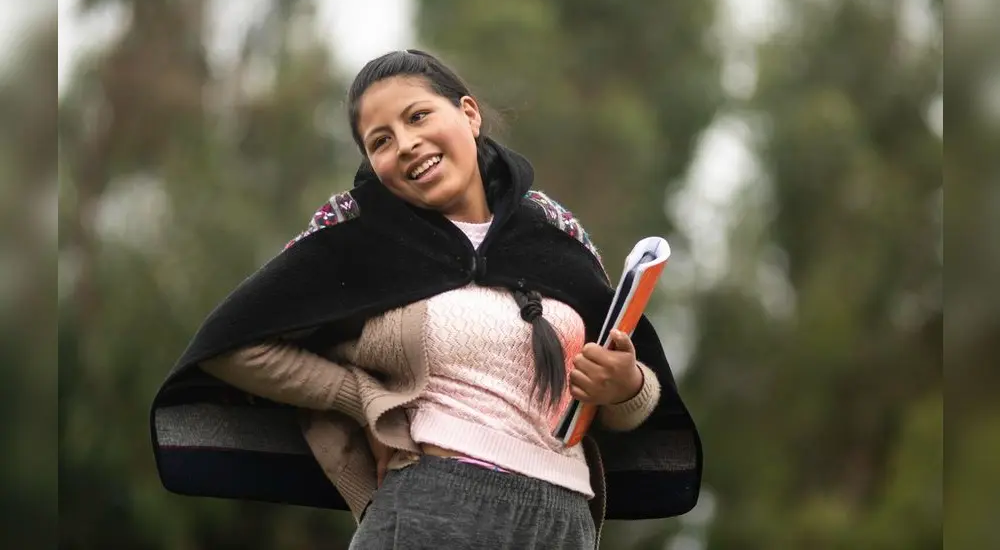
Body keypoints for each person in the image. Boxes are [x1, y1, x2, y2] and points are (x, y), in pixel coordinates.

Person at [149, 49, 702, 550]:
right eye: (380, 141)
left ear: (468, 113)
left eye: (417, 117)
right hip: (433, 509)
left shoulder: (553, 231)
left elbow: (631, 401)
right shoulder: (358, 239)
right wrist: (361, 397)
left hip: (565, 522)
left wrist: (626, 385)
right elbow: (233, 344)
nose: (406, 143)